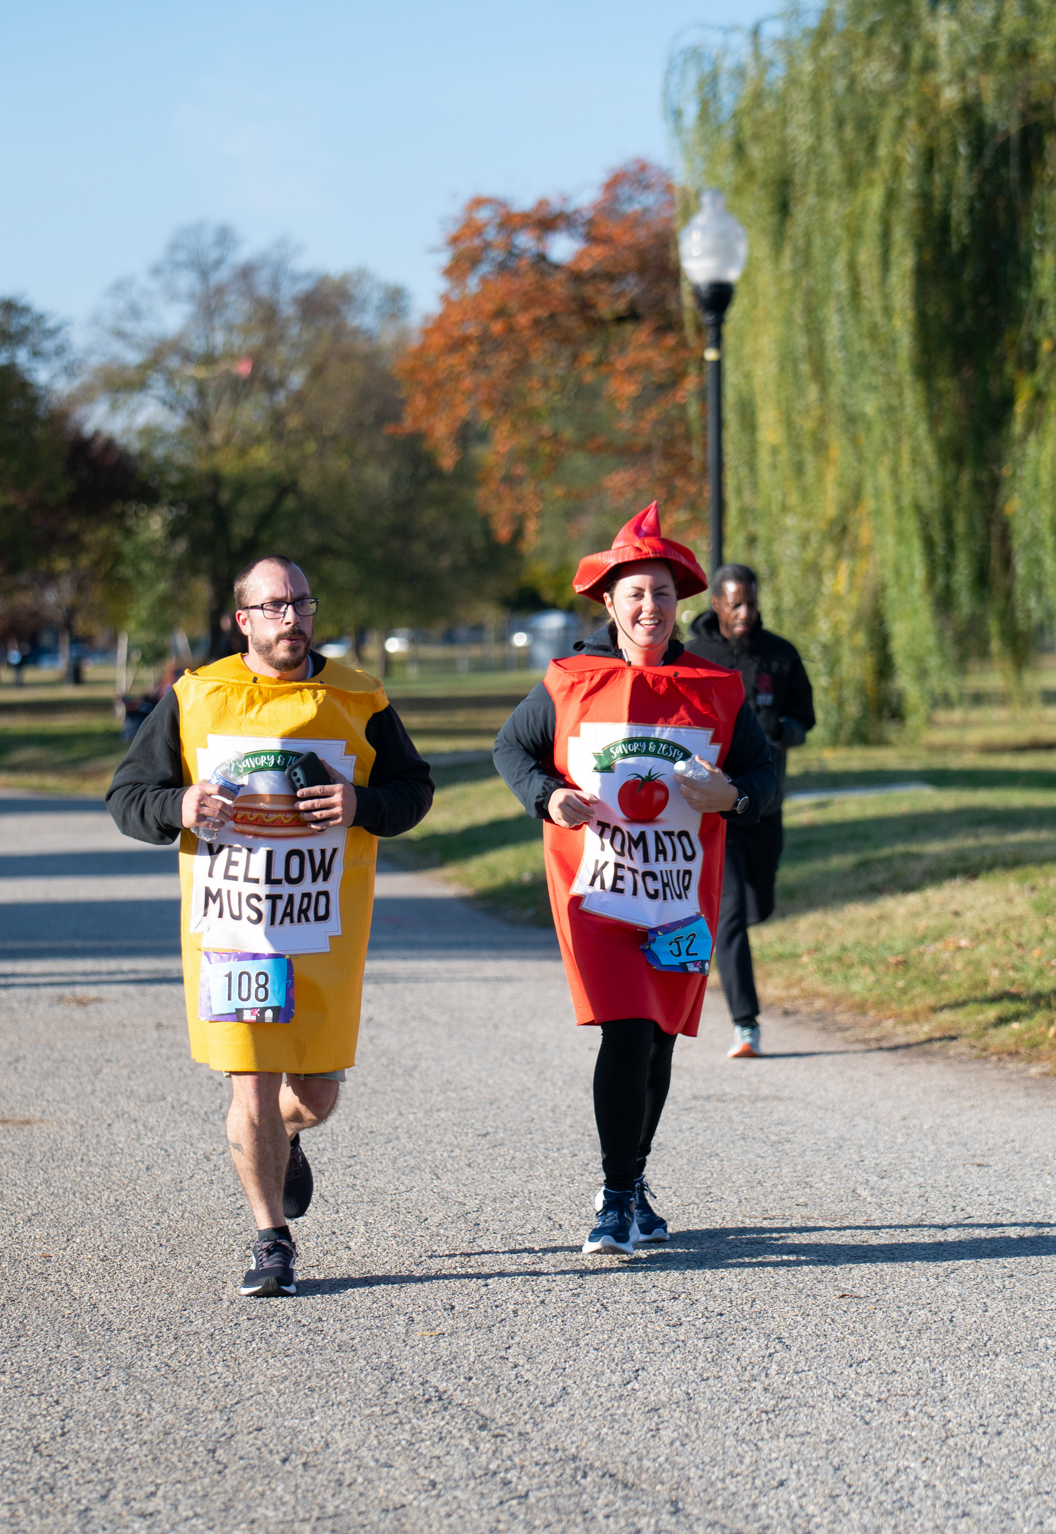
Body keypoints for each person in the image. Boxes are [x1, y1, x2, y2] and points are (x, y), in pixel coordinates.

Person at [107, 554, 434, 1298]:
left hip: (322, 926)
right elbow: (128, 796)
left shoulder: (356, 695)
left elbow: (413, 790)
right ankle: (270, 1241)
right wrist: (177, 806)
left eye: (302, 604)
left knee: (313, 1096)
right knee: (248, 1082)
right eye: (275, 605)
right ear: (244, 619)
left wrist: (360, 804)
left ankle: (285, 1138)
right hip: (235, 928)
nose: (292, 618)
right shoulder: (196, 697)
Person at [493, 503, 776, 1256]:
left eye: (659, 593)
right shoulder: (568, 682)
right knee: (623, 1029)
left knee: (658, 1041)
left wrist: (735, 796)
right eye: (634, 593)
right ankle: (615, 1199)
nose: (648, 607)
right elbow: (511, 752)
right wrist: (547, 796)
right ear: (609, 603)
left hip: (679, 896)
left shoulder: (713, 689)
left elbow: (760, 774)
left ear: (677, 603)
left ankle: (634, 1182)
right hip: (596, 890)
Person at [685, 564, 816, 1058]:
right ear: (716, 603)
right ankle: (747, 1024)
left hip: (766, 802)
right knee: (731, 915)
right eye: (735, 604)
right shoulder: (695, 658)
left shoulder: (779, 655)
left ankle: (743, 1013)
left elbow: (804, 715)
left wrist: (787, 731)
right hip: (715, 808)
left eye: (751, 604)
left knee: (759, 904)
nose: (745, 614)